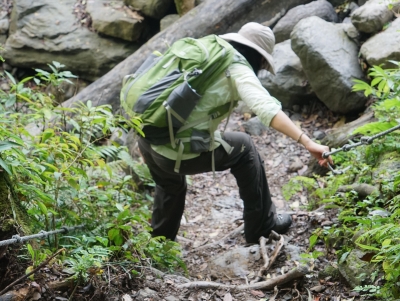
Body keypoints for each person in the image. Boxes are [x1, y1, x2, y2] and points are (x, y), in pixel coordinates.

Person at [138, 22, 331, 244]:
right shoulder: (238, 68)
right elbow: (267, 109)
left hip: (148, 135)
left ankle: (159, 245)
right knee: (245, 147)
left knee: (170, 184)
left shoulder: (208, 48)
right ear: (259, 58)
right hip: (171, 152)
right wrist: (307, 142)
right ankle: (262, 225)